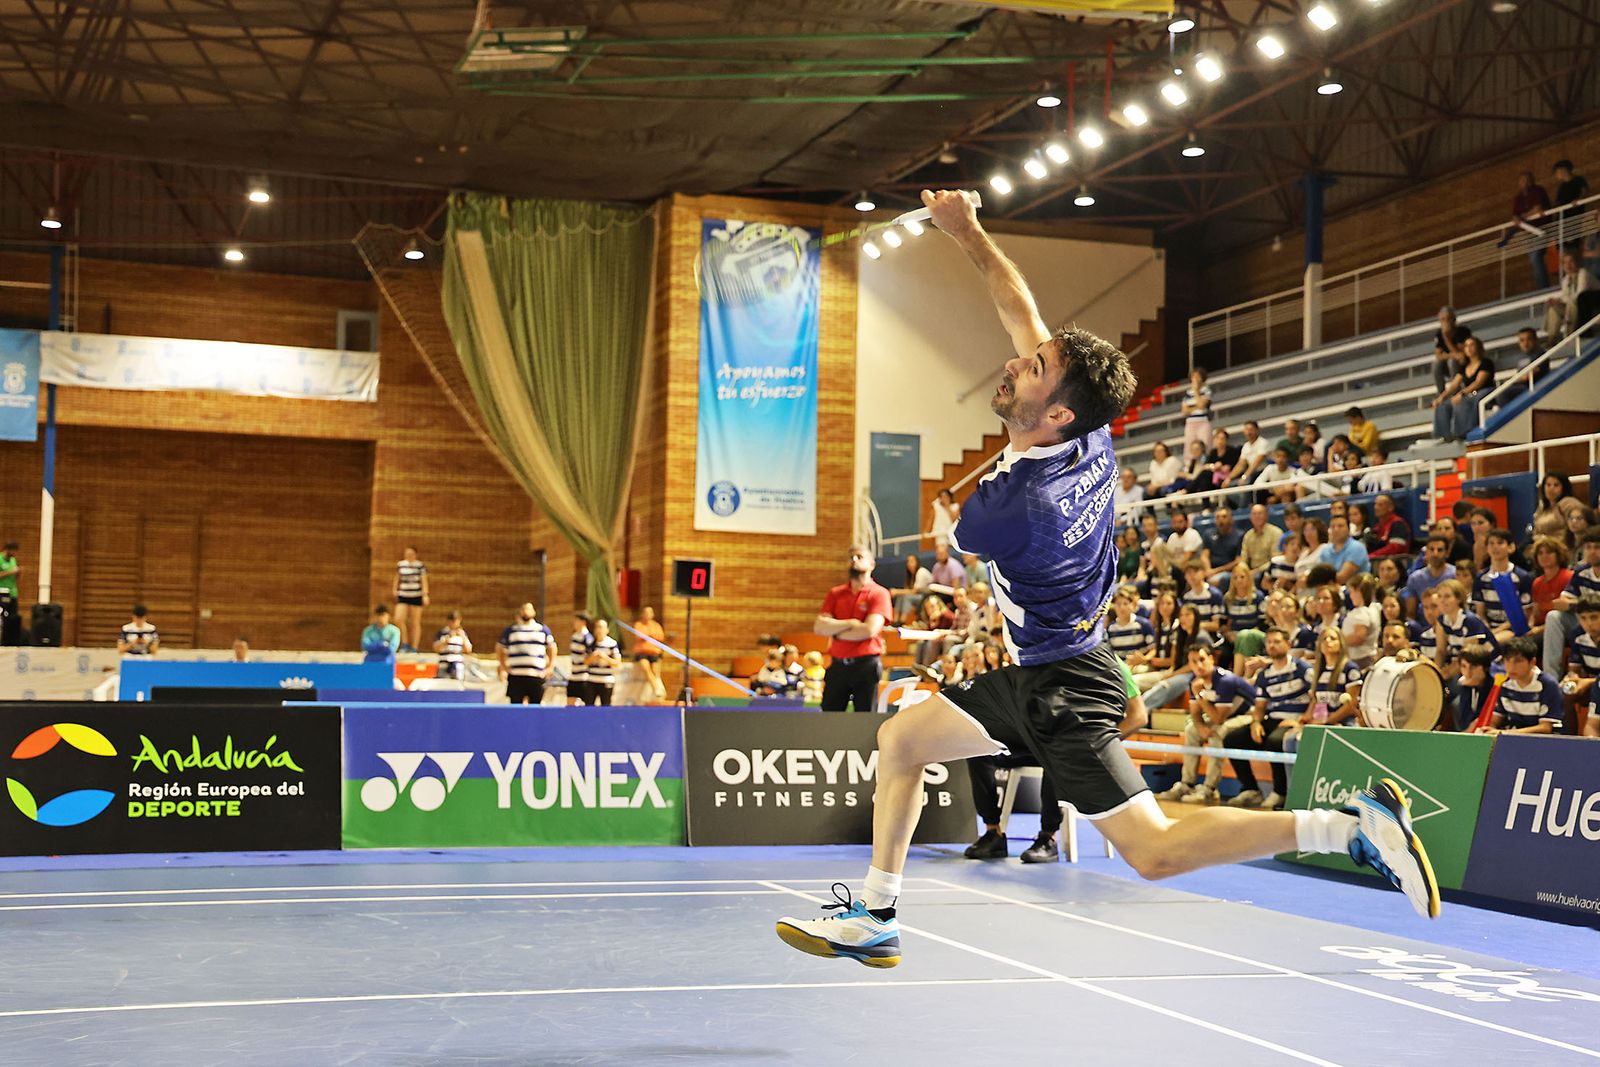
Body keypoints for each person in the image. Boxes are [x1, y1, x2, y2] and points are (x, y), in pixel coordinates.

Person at [775, 190, 1439, 970]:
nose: (1017, 359)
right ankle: (878, 913)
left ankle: (1348, 827)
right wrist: (971, 234)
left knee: (1152, 852)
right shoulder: (1087, 434)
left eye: (1034, 368)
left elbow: (963, 523)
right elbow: (1020, 309)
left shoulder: (1016, 507)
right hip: (1036, 672)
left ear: (1054, 413)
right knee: (903, 739)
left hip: (1067, 687)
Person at [1155, 645, 1258, 807]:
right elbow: (1195, 714)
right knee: (1191, 730)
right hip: (1224, 716)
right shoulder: (1194, 681)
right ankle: (1187, 784)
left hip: (1250, 716)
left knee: (1218, 732)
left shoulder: (1226, 681)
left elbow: (1218, 719)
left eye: (1202, 660)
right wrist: (1201, 727)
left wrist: (1199, 694)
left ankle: (1210, 788)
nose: (1199, 665)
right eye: (1194, 662)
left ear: (1211, 659)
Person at [1222, 627, 1313, 810]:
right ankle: (1250, 789)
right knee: (1232, 739)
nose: (1272, 645)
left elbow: (1317, 698)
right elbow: (1260, 706)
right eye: (1269, 642)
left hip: (1295, 721)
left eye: (1277, 641)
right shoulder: (1264, 675)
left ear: (1288, 644)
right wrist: (1256, 722)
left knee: (1274, 741)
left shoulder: (1302, 668)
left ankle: (1280, 792)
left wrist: (1302, 720)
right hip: (1273, 719)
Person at [815, 545, 892, 713]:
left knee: (864, 718)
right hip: (838, 665)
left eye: (859, 557)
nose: (854, 560)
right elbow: (819, 627)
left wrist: (835, 631)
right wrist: (851, 622)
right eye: (851, 557)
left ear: (872, 564)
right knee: (829, 718)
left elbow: (869, 630)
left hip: (865, 665)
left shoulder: (879, 593)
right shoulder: (835, 593)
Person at [1477, 636, 1563, 735]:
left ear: (1532, 662)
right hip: (1511, 738)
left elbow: (1545, 728)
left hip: (1543, 743)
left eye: (1518, 661)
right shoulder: (1504, 683)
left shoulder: (1548, 684)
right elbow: (1496, 719)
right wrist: (1488, 730)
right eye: (1507, 660)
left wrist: (1504, 733)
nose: (1511, 666)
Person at [1544, 530, 1600, 674]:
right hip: (1584, 619)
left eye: (1597, 547)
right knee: (1554, 616)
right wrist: (1573, 604)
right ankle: (1552, 678)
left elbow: (1571, 602)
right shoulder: (1581, 571)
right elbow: (1564, 600)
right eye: (1588, 547)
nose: (1592, 552)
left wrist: (1574, 604)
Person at [1473, 527, 1533, 643]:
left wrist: (1497, 630)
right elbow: (1480, 612)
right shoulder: (1481, 577)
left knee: (1492, 643)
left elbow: (1525, 613)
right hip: (1488, 628)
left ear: (1511, 547)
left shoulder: (1522, 577)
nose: (1495, 547)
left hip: (1513, 628)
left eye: (1500, 543)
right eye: (1491, 543)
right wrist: (1487, 629)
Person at [1494, 171, 1552, 288]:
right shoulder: (1518, 198)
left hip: (1542, 229)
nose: (1525, 183)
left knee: (1536, 257)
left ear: (1532, 181)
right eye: (1522, 180)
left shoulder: (1538, 190)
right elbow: (1515, 216)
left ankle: (1543, 288)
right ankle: (1542, 287)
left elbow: (1538, 208)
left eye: (1527, 180)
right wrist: (1518, 218)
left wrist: (1522, 216)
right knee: (1533, 259)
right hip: (1529, 232)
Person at [1432, 335, 1495, 442]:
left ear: (1478, 347)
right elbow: (1454, 385)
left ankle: (1464, 434)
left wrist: (1462, 394)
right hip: (1469, 395)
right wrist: (1441, 397)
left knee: (1462, 402)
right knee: (1443, 406)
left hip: (1485, 392)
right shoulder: (1464, 367)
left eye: (1472, 345)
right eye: (1466, 346)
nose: (1469, 348)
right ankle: (1444, 437)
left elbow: (1479, 382)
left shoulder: (1486, 363)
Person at [498, 602, 557, 705]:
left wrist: (550, 666)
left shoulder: (542, 630)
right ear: (520, 612)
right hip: (516, 675)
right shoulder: (511, 630)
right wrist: (503, 666)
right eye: (524, 609)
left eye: (529, 609)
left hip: (536, 675)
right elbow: (500, 647)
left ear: (534, 612)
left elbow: (552, 647)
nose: (526, 611)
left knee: (535, 707)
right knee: (515, 707)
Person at [1543, 249, 1600, 341]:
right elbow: (1565, 297)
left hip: (1591, 304)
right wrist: (1556, 301)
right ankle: (1552, 338)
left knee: (1572, 302)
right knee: (1553, 307)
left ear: (1577, 262)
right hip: (1573, 307)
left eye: (1571, 261)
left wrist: (1562, 301)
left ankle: (1571, 334)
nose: (1568, 265)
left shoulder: (1583, 273)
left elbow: (1580, 294)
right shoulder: (1565, 280)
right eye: (1565, 263)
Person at [1404, 535, 1457, 619]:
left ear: (1447, 553)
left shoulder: (1456, 575)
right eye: (1431, 549)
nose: (1435, 554)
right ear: (1426, 553)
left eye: (1439, 550)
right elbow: (1411, 613)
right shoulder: (1415, 578)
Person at [391, 546, 429, 653]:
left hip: (416, 595)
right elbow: (397, 578)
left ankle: (414, 647)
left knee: (415, 622)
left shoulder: (420, 566)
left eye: (411, 553)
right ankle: (405, 643)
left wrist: (425, 594)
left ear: (415, 554)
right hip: (403, 594)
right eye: (407, 553)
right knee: (398, 619)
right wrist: (394, 589)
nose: (409, 555)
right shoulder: (401, 565)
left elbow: (424, 580)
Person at [1430, 306, 1474, 395]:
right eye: (1442, 320)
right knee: (1436, 364)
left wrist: (1447, 338)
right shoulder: (1439, 334)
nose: (1445, 322)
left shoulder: (1463, 331)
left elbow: (1461, 354)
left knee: (1452, 361)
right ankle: (1441, 393)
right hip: (1449, 365)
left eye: (1447, 319)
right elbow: (1438, 355)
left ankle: (1456, 391)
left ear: (1453, 319)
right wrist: (1452, 355)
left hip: (1464, 364)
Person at [1342, 573, 1382, 669]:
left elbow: (1358, 637)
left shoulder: (1362, 613)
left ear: (1359, 591)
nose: (1350, 596)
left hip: (1360, 660)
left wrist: (1339, 641)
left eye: (1351, 591)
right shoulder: (1373, 608)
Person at [630, 605, 668, 699]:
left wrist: (650, 636)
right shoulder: (639, 625)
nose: (648, 615)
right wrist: (649, 635)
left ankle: (658, 690)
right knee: (646, 669)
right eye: (646, 612)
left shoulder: (656, 625)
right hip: (642, 653)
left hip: (654, 652)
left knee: (655, 671)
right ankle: (656, 688)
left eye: (650, 613)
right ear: (642, 614)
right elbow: (639, 636)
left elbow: (660, 637)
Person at [1239, 504, 1283, 582]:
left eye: (1259, 513)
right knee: (1233, 578)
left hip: (1268, 570)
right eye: (1254, 514)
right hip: (1250, 571)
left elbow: (1275, 560)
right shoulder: (1248, 535)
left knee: (1256, 578)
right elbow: (1243, 558)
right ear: (1250, 517)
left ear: (1266, 516)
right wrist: (1242, 571)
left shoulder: (1276, 533)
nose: (1257, 516)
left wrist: (1255, 571)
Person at [583, 618, 622, 706]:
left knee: (605, 707)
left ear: (607, 630)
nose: (599, 630)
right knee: (588, 706)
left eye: (601, 627)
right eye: (597, 627)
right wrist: (593, 657)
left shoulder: (612, 643)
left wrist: (605, 657)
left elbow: (617, 663)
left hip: (606, 680)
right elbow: (585, 662)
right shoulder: (590, 643)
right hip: (591, 680)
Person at [1533, 472, 1583, 541]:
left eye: (1556, 485)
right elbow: (1535, 532)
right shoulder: (1542, 507)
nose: (1551, 488)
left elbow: (1578, 530)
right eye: (1548, 485)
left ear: (1564, 488)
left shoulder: (1570, 504)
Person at [1323, 514, 1371, 584]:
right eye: (1332, 527)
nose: (1336, 529)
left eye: (1340, 526)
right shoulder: (1325, 550)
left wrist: (1320, 580)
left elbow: (1342, 578)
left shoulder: (1357, 547)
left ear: (1348, 529)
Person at [1226, 420, 1272, 492]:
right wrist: (1229, 478)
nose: (1248, 432)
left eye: (1251, 430)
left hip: (1263, 472)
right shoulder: (1245, 446)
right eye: (1246, 430)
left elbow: (1256, 463)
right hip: (1251, 473)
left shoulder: (1263, 442)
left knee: (1246, 484)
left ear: (1257, 430)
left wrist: (1244, 477)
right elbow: (1240, 464)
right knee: (1230, 485)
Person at [1203, 505, 1244, 583]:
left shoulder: (1239, 536)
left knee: (1216, 580)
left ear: (1231, 519)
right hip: (1210, 571)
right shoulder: (1208, 534)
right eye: (1217, 517)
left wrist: (1215, 571)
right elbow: (1204, 556)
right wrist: (1208, 570)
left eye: (1224, 517)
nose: (1220, 520)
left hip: (1229, 572)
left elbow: (1238, 560)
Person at [1364, 494, 1412, 560]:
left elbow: (1395, 548)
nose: (1376, 507)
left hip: (1396, 563)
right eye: (1375, 504)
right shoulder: (1377, 526)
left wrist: (1372, 555)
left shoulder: (1398, 524)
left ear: (1390, 507)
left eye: (1380, 505)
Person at [890, 554, 932, 623]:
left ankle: (902, 621)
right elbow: (908, 590)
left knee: (906, 597)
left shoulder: (921, 572)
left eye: (912, 561)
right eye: (908, 561)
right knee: (901, 596)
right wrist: (899, 593)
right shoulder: (911, 576)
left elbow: (914, 591)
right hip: (919, 596)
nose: (909, 563)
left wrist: (897, 591)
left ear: (917, 562)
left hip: (927, 597)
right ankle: (895, 621)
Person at [433, 611, 473, 681]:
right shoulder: (442, 633)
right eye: (452, 620)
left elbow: (468, 650)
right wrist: (446, 640)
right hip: (444, 664)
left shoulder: (462, 634)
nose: (454, 623)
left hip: (457, 665)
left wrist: (463, 638)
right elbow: (436, 648)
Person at [1181, 367, 1213, 454]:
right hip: (1190, 422)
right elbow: (1184, 411)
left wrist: (1195, 391)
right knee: (1189, 447)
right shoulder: (1187, 394)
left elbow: (1202, 405)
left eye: (1197, 376)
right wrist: (1196, 407)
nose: (1195, 379)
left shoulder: (1206, 391)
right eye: (1193, 376)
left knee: (1204, 445)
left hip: (1203, 422)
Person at [567, 612, 594, 706]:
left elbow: (590, 656)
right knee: (570, 702)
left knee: (586, 703)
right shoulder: (574, 636)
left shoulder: (587, 638)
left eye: (576, 621)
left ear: (583, 622)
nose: (574, 623)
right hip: (573, 675)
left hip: (583, 675)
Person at [0, 541, 19, 646]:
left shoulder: (13, 560)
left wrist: (17, 573)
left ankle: (10, 642)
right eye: (13, 551)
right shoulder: (0, 559)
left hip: (12, 593)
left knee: (12, 618)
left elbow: (14, 576)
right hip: (1, 592)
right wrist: (10, 572)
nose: (14, 554)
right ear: (7, 550)